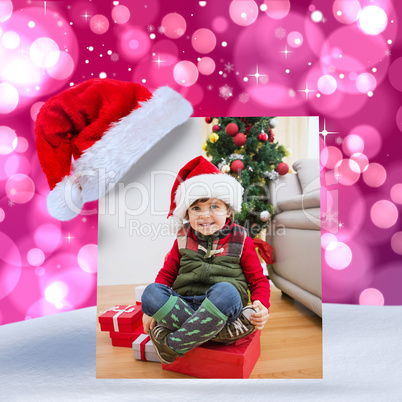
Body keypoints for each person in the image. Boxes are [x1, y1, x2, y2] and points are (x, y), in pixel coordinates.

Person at [141, 156, 270, 364]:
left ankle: (171, 344)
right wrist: (150, 310)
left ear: (228, 210)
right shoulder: (183, 238)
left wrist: (261, 304)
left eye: (214, 207)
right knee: (151, 294)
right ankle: (220, 333)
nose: (204, 215)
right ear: (187, 213)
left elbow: (258, 281)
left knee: (227, 291)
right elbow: (167, 274)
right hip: (184, 303)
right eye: (196, 208)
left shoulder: (241, 238)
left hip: (222, 306)